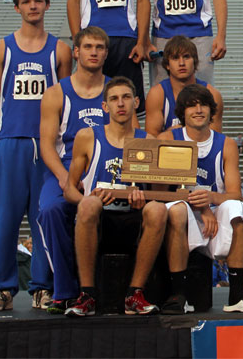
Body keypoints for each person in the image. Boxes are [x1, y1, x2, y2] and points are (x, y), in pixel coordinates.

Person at [0, 0, 72, 313]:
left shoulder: (60, 51)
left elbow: (65, 98)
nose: (32, 6)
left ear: (47, 5)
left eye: (37, 1)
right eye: (25, 1)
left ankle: (43, 287)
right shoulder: (0, 49)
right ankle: (2, 288)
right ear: (17, 7)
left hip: (46, 146)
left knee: (43, 218)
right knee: (4, 220)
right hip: (10, 143)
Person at [157, 84, 243, 314]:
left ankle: (237, 294)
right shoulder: (169, 138)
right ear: (182, 112)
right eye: (191, 106)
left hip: (214, 216)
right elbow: (162, 190)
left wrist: (210, 198)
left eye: (203, 104)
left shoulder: (225, 143)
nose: (198, 110)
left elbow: (235, 192)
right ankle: (179, 295)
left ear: (211, 110)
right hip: (185, 213)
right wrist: (200, 204)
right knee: (176, 209)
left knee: (237, 209)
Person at [62, 77, 167, 317]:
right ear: (105, 106)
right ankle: (87, 295)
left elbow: (159, 192)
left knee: (158, 209)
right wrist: (91, 200)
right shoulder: (88, 136)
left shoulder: (148, 141)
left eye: (126, 97)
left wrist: (143, 196)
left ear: (136, 102)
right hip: (98, 219)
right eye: (114, 99)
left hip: (133, 218)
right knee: (88, 204)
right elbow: (69, 189)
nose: (121, 104)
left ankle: (135, 294)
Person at [37, 26, 110, 314]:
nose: (94, 52)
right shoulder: (56, 94)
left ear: (106, 53)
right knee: (51, 209)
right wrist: (67, 180)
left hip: (106, 167)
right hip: (66, 168)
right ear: (76, 52)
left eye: (100, 47)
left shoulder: (116, 90)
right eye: (88, 46)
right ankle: (65, 291)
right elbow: (46, 147)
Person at [145, 35, 223, 136]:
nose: (181, 63)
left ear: (194, 61)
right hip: (169, 150)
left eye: (186, 57)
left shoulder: (213, 95)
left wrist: (182, 131)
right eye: (175, 58)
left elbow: (214, 142)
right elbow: (151, 141)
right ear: (167, 65)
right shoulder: (157, 94)